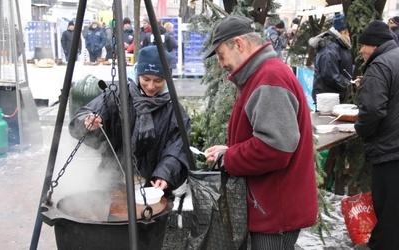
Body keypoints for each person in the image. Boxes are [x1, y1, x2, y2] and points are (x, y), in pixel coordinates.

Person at [203, 15, 318, 249]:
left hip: (275, 212)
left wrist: (230, 158)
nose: (221, 64)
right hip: (270, 206)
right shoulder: (261, 75)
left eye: (221, 55)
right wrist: (231, 149)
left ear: (239, 44)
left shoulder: (269, 78)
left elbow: (274, 147)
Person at [69, 45, 190, 195]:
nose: (151, 86)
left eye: (158, 80)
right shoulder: (118, 96)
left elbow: (178, 148)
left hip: (153, 186)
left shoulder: (173, 110)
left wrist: (165, 174)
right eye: (146, 79)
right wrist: (87, 122)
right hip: (111, 179)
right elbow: (85, 113)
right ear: (138, 73)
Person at [353, 20, 399, 250]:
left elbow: (373, 110)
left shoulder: (379, 64)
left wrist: (360, 129)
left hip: (390, 149)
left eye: (362, 47)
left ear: (373, 45)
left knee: (389, 210)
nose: (360, 52)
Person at [309, 13, 353, 105]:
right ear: (343, 31)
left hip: (336, 97)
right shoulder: (329, 48)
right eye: (349, 32)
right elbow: (331, 76)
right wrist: (350, 85)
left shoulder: (341, 45)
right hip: (328, 101)